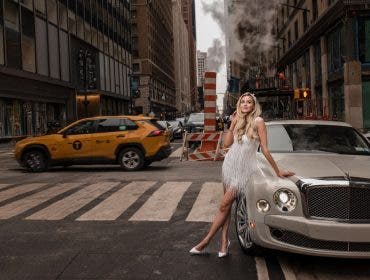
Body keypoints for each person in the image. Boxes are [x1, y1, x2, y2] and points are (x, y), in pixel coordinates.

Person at [189, 92, 294, 258]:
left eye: (249, 102)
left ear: (254, 106)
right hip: (229, 166)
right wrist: (232, 125)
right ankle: (224, 241)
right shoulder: (237, 120)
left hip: (244, 170)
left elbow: (265, 149)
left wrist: (278, 170)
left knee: (224, 205)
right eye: (243, 102)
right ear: (240, 105)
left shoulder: (259, 122)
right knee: (227, 207)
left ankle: (206, 241)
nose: (245, 104)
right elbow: (226, 144)